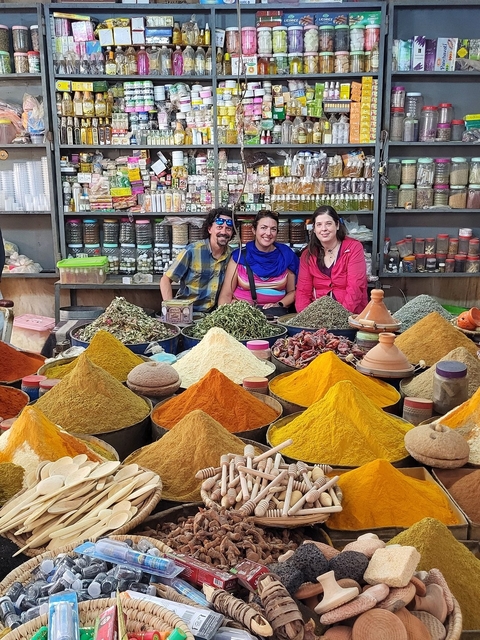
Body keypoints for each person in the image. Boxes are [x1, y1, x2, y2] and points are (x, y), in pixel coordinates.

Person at [218, 210, 299, 315]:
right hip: (242, 315)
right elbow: (226, 294)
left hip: (275, 316)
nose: (268, 233)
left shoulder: (286, 256)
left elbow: (293, 292)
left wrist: (279, 304)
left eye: (273, 229)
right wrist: (222, 317)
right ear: (254, 230)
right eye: (263, 228)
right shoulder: (239, 257)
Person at [160, 207, 235, 312]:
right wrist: (171, 308)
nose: (224, 232)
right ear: (210, 229)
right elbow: (165, 280)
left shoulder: (233, 256)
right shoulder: (193, 251)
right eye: (219, 227)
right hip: (187, 313)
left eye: (228, 229)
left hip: (212, 315)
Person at [295, 205, 368, 314]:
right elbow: (302, 291)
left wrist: (341, 317)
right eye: (319, 225)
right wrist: (305, 318)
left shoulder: (353, 248)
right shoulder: (308, 254)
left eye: (328, 224)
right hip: (317, 315)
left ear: (337, 225)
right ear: (314, 229)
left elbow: (355, 288)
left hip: (350, 314)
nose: (324, 229)